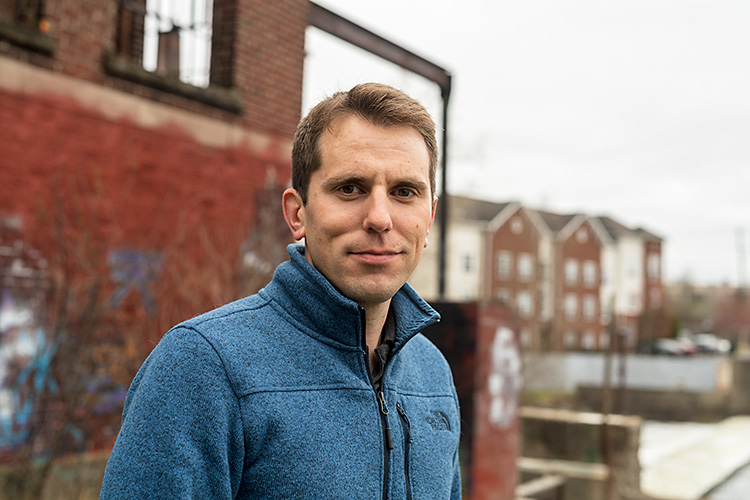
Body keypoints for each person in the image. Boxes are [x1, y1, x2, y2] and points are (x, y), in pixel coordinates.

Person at [99, 83, 461, 499]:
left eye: (404, 192)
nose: (380, 218)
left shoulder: (432, 372)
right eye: (350, 188)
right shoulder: (202, 367)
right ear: (297, 213)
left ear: (429, 217)